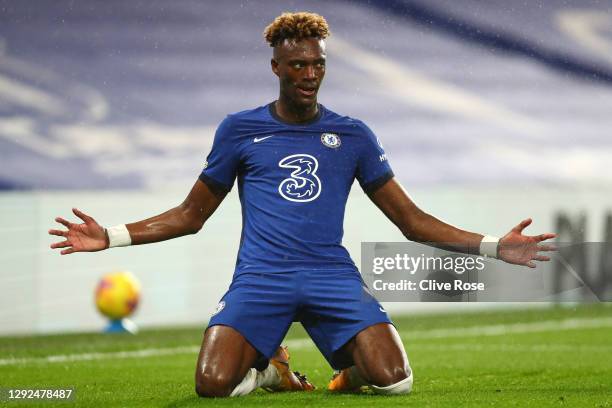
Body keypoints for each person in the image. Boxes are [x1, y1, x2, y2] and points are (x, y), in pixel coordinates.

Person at [49, 11, 556, 397]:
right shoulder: (240, 129)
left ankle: (346, 376)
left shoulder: (353, 134)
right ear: (276, 67)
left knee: (394, 381)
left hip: (328, 273)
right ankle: (272, 368)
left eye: (318, 64)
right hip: (261, 275)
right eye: (298, 65)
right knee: (212, 385)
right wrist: (112, 236)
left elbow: (412, 221)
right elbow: (191, 215)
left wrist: (493, 247)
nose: (310, 74)